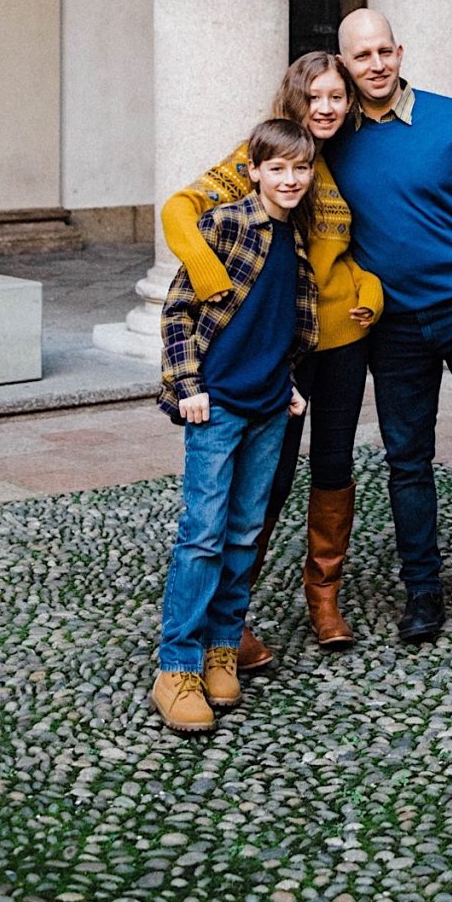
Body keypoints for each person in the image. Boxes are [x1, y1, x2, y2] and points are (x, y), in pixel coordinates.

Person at [161, 51, 381, 660]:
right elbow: (181, 208)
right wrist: (208, 275)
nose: (327, 108)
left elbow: (345, 250)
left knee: (334, 465)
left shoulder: (343, 158)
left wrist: (370, 287)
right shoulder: (267, 156)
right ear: (295, 99)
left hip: (337, 337)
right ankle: (229, 621)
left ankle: (323, 598)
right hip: (279, 347)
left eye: (338, 96)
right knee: (270, 478)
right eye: (315, 97)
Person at [325, 8, 452, 644]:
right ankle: (424, 589)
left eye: (385, 51)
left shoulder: (449, 116)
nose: (377, 65)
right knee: (407, 458)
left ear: (400, 50)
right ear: (346, 64)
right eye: (362, 57)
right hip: (391, 327)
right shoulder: (331, 136)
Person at [150, 118, 318, 733]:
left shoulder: (295, 236)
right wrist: (188, 386)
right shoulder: (226, 224)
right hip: (215, 407)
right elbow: (176, 313)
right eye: (277, 168)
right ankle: (177, 667)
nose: (291, 179)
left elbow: (281, 322)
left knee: (247, 531)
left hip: (271, 405)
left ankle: (224, 647)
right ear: (253, 170)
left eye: (301, 168)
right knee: (203, 533)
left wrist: (289, 383)